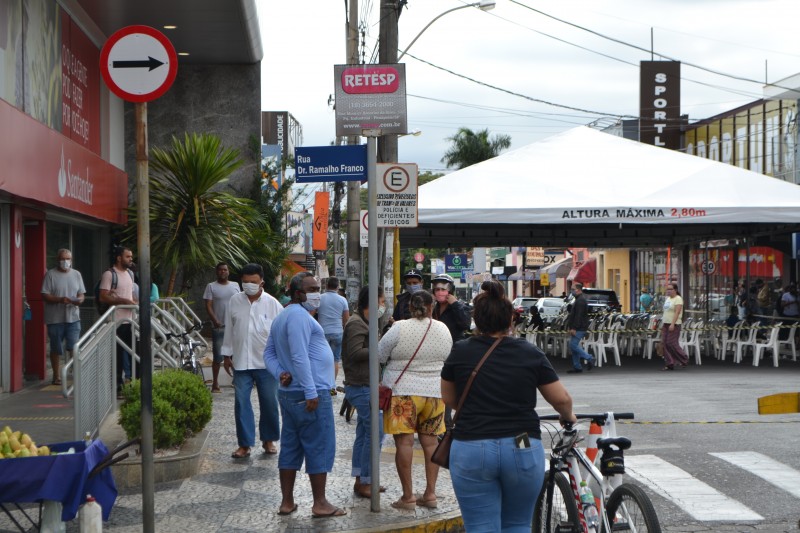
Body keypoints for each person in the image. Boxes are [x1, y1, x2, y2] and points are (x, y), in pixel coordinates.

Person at [441, 279, 576, 532]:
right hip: (521, 441)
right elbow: (561, 399)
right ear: (511, 320)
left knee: (480, 526)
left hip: (471, 445)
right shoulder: (529, 352)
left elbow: (449, 399)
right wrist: (568, 416)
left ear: (477, 320)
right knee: (517, 524)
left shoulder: (461, 351)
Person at [263, 272, 345, 518]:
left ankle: (287, 502)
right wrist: (310, 390)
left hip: (290, 393)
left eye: (317, 288)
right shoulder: (298, 317)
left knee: (290, 446)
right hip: (309, 392)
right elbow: (299, 356)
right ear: (297, 292)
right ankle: (320, 503)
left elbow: (269, 354)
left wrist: (280, 373)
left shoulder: (284, 315)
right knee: (318, 446)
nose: (316, 293)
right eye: (311, 289)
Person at [378, 290, 452, 511]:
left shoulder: (399, 327)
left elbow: (380, 355)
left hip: (403, 393)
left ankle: (408, 497)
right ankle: (430, 494)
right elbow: (448, 356)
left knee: (405, 443)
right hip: (435, 393)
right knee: (431, 443)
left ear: (410, 307)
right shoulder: (443, 329)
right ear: (431, 307)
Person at [222, 263, 283, 459]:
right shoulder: (234, 301)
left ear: (262, 282)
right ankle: (245, 444)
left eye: (253, 282)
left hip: (267, 364)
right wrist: (226, 354)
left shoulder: (273, 304)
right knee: (241, 402)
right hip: (241, 362)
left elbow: (281, 334)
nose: (249, 285)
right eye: (245, 282)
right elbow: (229, 329)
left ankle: (269, 439)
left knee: (269, 403)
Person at [342, 286, 386, 498]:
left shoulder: (367, 322)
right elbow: (354, 352)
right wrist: (380, 347)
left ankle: (362, 479)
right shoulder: (356, 323)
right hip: (360, 387)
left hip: (367, 385)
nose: (383, 305)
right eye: (381, 300)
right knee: (375, 433)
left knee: (364, 433)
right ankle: (367, 480)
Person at [40, 249, 86, 385]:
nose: (65, 262)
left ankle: (76, 374)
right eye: (63, 259)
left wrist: (80, 300)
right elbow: (44, 295)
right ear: (57, 260)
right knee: (56, 348)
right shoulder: (50, 275)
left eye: (68, 259)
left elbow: (81, 293)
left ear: (71, 260)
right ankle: (56, 375)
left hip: (73, 317)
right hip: (55, 319)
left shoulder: (77, 274)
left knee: (74, 347)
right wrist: (60, 299)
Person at [98, 246, 137, 393]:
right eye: (127, 256)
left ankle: (131, 382)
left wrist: (134, 302)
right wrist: (123, 301)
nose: (130, 259)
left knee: (132, 353)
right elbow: (103, 296)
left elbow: (131, 295)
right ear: (119, 258)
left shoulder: (130, 274)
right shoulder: (109, 274)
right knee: (117, 356)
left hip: (130, 320)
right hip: (116, 321)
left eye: (131, 256)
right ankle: (117, 386)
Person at [203, 262, 241, 393]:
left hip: (235, 326)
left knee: (235, 355)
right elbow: (208, 305)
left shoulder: (235, 286)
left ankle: (236, 381)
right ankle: (215, 383)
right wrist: (215, 320)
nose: (223, 272)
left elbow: (240, 303)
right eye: (220, 270)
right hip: (219, 326)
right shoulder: (211, 286)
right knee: (218, 356)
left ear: (228, 271)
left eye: (225, 270)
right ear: (216, 272)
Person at [317, 276, 350, 392]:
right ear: (337, 287)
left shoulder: (320, 298)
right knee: (335, 360)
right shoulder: (342, 300)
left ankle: (322, 386)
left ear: (326, 285)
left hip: (322, 333)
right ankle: (331, 388)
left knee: (322, 360)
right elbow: (346, 319)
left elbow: (314, 313)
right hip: (337, 333)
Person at [431, 273, 471, 343]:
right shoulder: (433, 307)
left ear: (451, 291)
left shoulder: (461, 306)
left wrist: (455, 304)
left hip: (455, 346)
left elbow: (465, 325)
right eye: (437, 289)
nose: (440, 292)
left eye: (443, 289)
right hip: (437, 346)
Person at [565, 282, 595, 373]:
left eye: (573, 289)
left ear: (578, 290)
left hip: (579, 327)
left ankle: (589, 358)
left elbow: (579, 316)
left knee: (573, 345)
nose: (571, 291)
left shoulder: (580, 301)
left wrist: (574, 327)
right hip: (578, 327)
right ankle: (577, 367)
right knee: (574, 347)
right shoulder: (578, 299)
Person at [661, 282, 690, 371]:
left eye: (671, 289)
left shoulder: (678, 299)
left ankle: (684, 358)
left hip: (674, 324)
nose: (668, 291)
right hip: (665, 323)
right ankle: (670, 363)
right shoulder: (668, 299)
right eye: (668, 289)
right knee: (665, 343)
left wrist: (673, 324)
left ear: (675, 290)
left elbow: (677, 312)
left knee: (671, 343)